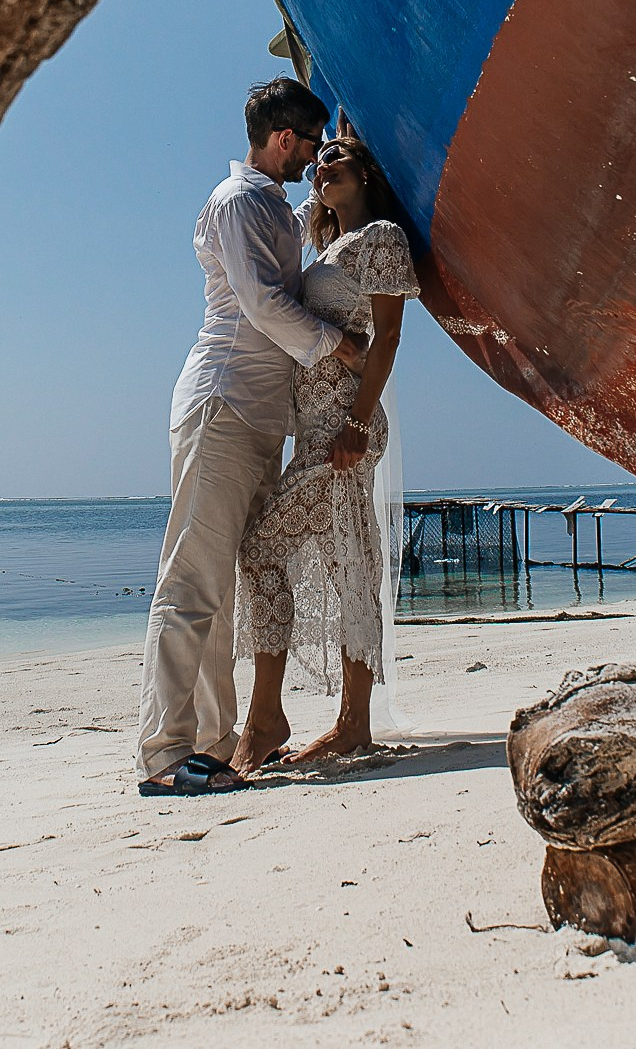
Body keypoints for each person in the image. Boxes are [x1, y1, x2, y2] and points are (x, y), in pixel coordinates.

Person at [136, 80, 366, 797]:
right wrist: (339, 348)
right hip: (224, 404)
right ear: (281, 139)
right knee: (191, 581)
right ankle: (165, 756)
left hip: (260, 416)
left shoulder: (269, 204)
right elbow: (263, 302)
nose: (310, 160)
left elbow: (306, 220)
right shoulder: (237, 202)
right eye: (308, 143)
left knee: (224, 588)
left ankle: (213, 740)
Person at [231, 135, 420, 772]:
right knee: (349, 566)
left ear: (367, 172)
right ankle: (348, 723)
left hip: (345, 430)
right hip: (317, 431)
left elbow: (388, 335)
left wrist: (359, 425)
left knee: (264, 551)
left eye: (337, 156)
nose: (322, 165)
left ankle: (277, 720)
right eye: (320, 161)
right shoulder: (329, 250)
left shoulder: (382, 237)